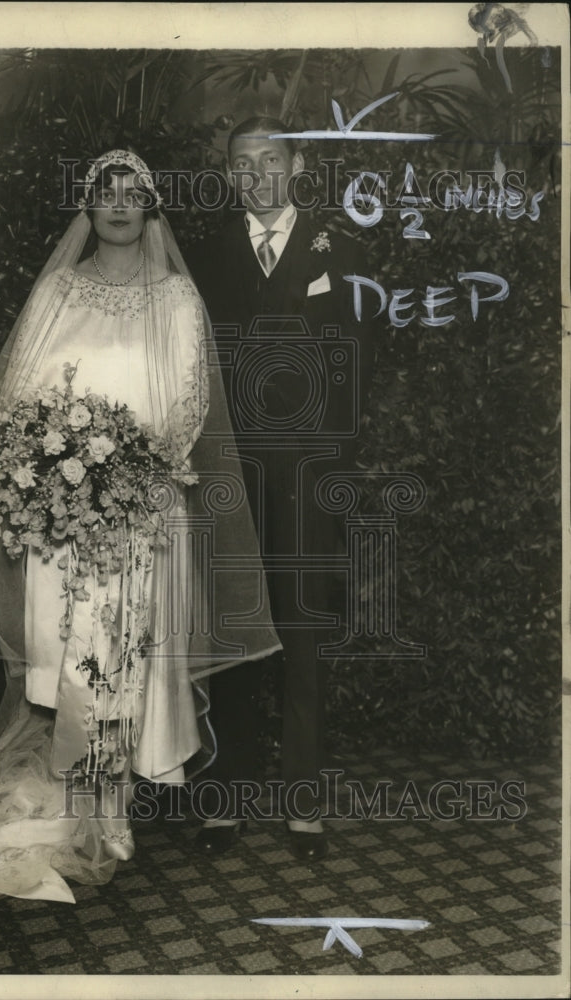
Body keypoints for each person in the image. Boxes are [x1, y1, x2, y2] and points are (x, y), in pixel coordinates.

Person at [0, 149, 280, 902]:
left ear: (150, 207)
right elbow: (19, 397)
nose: (118, 204)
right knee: (68, 664)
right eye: (104, 193)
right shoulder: (58, 289)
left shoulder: (178, 300)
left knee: (125, 661)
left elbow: (186, 408)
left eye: (133, 193)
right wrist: (58, 478)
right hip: (58, 518)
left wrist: (125, 481)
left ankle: (113, 810)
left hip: (141, 512)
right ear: (86, 208)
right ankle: (76, 807)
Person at [187, 117, 375, 862]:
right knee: (233, 639)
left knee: (302, 643)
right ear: (229, 173)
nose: (256, 175)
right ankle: (223, 803)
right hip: (230, 483)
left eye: (270, 160)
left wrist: (327, 471)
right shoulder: (204, 257)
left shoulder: (341, 250)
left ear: (296, 164)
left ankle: (303, 807)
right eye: (242, 163)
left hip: (305, 482)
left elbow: (354, 369)